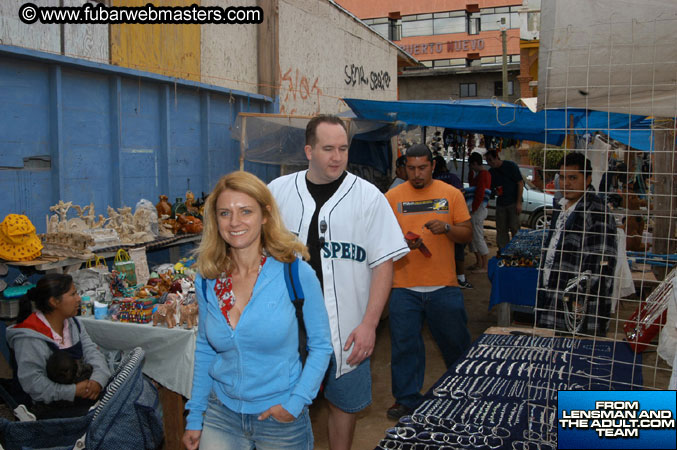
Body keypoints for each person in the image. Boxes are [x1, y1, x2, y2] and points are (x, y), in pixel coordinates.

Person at [269, 115, 408, 450]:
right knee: (284, 403)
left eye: (343, 148)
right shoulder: (277, 192)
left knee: (342, 403)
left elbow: (383, 264)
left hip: (346, 324)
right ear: (308, 150)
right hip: (287, 324)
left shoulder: (368, 197)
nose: (337, 156)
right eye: (328, 148)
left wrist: (370, 325)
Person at [182, 171, 333, 450]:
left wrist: (296, 402)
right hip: (221, 414)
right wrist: (195, 415)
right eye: (225, 213)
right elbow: (205, 348)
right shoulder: (208, 278)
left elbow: (322, 346)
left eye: (245, 211)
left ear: (265, 215)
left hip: (280, 418)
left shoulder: (295, 273)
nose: (235, 222)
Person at [384, 143, 473, 419]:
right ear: (404, 168)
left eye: (422, 168)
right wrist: (402, 244)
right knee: (404, 345)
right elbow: (381, 239)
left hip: (444, 286)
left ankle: (464, 392)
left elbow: (467, 234)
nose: (416, 174)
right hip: (403, 287)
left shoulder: (451, 195)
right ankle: (406, 399)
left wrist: (447, 228)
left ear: (433, 166)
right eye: (410, 168)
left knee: (456, 343)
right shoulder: (392, 197)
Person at [6, 273, 110, 419]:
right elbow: (34, 384)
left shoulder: (74, 324)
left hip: (79, 396)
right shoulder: (29, 337)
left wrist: (97, 380)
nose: (78, 299)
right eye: (73, 294)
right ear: (54, 302)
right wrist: (72, 391)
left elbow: (92, 352)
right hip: (45, 408)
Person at [536, 152, 617, 336]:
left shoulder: (597, 214)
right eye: (562, 177)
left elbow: (600, 270)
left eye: (573, 178)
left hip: (578, 312)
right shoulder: (561, 207)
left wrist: (575, 304)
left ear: (587, 179)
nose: (566, 183)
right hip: (553, 299)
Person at [432, 155, 472, 288]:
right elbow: (461, 195)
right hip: (454, 219)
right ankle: (460, 278)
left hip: (435, 220)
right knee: (458, 250)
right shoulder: (453, 178)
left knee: (439, 248)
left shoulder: (432, 180)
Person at [485, 150, 524, 251]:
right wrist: (494, 193)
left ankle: (517, 251)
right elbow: (490, 190)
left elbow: (520, 183)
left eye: (490, 160)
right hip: (501, 204)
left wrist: (519, 202)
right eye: (487, 161)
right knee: (501, 229)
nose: (490, 163)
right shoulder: (491, 172)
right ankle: (503, 252)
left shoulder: (511, 166)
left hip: (513, 202)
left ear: (496, 157)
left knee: (515, 228)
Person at [466, 151, 492, 273]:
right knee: (474, 237)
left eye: (471, 165)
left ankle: (484, 265)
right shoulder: (480, 174)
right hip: (477, 208)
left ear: (475, 164)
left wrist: (474, 208)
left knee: (478, 237)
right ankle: (479, 262)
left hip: (478, 209)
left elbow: (480, 193)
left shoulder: (483, 175)